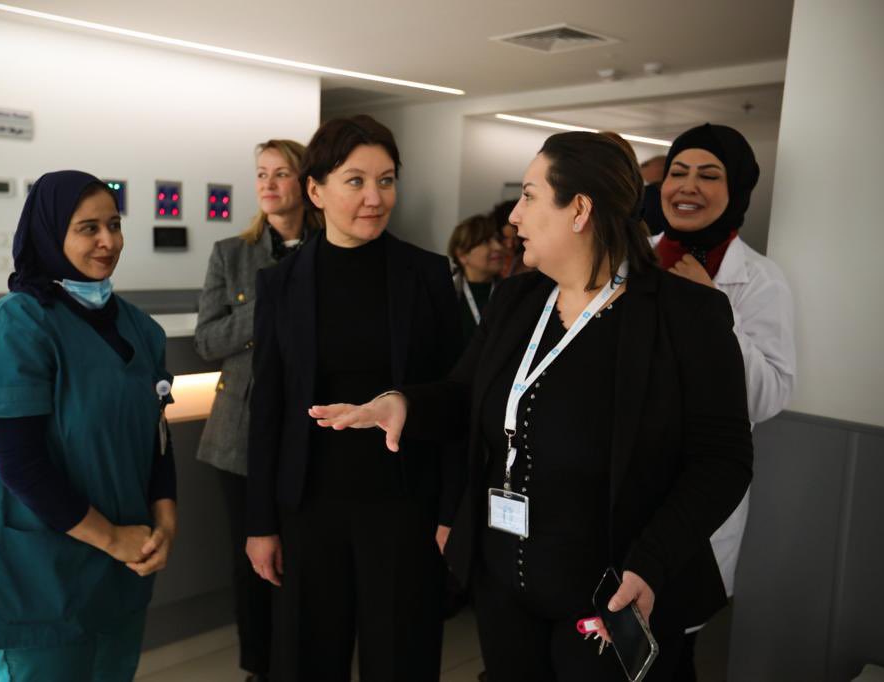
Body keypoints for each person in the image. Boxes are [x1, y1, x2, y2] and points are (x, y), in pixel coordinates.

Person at [310, 131, 753, 681]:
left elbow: (723, 459)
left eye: (529, 196)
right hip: (504, 585)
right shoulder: (519, 300)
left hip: (610, 593)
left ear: (580, 210)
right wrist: (400, 405)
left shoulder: (686, 317)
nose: (514, 217)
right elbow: (463, 395)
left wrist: (653, 561)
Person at [244, 115, 463, 681]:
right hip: (308, 506)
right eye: (356, 181)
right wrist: (260, 522)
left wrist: (450, 511)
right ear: (315, 190)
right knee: (306, 658)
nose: (374, 197)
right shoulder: (282, 284)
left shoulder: (428, 276)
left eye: (386, 180)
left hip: (403, 505)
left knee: (401, 657)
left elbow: (462, 395)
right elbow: (266, 407)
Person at [0, 171, 177, 682]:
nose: (108, 241)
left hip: (124, 563)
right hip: (42, 569)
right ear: (51, 235)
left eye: (115, 225)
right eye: (88, 228)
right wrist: (115, 539)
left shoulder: (140, 329)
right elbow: (23, 465)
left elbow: (157, 443)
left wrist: (165, 525)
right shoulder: (15, 327)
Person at [650, 122, 795, 679]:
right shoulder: (629, 260)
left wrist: (715, 312)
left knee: (665, 650)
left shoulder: (757, 279)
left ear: (734, 191)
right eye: (678, 172)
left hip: (694, 493)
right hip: (618, 484)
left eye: (709, 175)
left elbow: (769, 397)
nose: (688, 186)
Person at [194, 139, 319, 682]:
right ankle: (258, 667)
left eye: (281, 173)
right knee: (253, 562)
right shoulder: (231, 253)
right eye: (261, 174)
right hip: (239, 435)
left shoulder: (330, 250)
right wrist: (267, 307)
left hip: (310, 432)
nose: (268, 185)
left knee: (307, 558)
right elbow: (207, 341)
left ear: (307, 184)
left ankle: (303, 660)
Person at [446, 213, 505, 348]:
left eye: (498, 240)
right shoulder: (445, 294)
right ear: (462, 255)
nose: (498, 247)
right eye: (486, 242)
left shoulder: (511, 292)